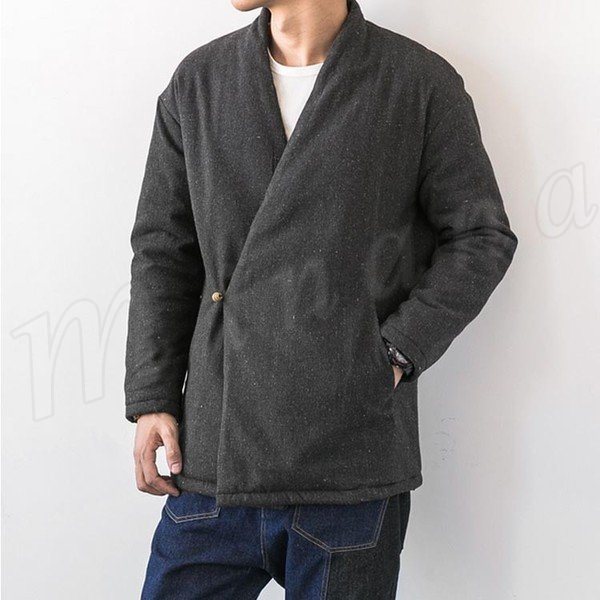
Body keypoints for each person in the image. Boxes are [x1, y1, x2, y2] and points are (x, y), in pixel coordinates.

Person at [124, 0, 518, 597]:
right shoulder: (200, 81)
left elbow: (480, 237)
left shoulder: (415, 82)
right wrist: (153, 397)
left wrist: (395, 352)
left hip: (348, 462)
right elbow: (164, 251)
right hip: (212, 458)